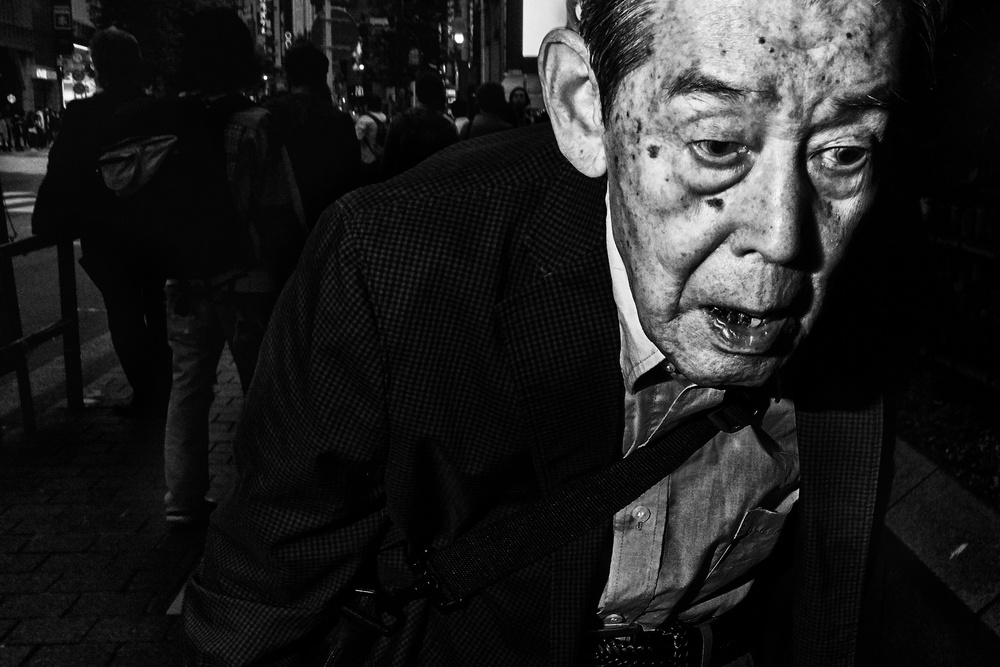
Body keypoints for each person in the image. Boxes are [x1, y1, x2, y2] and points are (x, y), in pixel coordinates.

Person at [182, 0, 938, 664]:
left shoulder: (877, 272)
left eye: (842, 152)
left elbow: (826, 586)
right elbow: (253, 619)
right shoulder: (391, 271)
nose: (782, 235)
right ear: (584, 106)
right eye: (716, 145)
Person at [146, 9, 306, 525]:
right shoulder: (256, 123)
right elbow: (280, 210)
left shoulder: (169, 123)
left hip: (186, 275)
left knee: (189, 384)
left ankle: (182, 499)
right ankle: (259, 494)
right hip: (247, 278)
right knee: (259, 388)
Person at [32, 27, 171, 420]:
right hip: (156, 230)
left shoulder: (84, 114)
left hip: (105, 231)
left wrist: (49, 216)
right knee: (159, 308)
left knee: (123, 311)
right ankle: (166, 390)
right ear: (139, 64)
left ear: (99, 67)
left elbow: (62, 169)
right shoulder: (159, 110)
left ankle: (147, 394)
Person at [266, 43, 361, 227]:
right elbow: (351, 178)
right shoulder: (339, 121)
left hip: (282, 223)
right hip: (329, 220)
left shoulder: (270, 117)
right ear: (323, 76)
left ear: (288, 76)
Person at [380, 73, 456, 178]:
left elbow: (387, 161)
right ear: (439, 95)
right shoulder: (447, 126)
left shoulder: (399, 122)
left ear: (418, 95)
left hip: (403, 184)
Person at [355, 93, 388, 183]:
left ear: (367, 105)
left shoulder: (364, 120)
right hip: (381, 157)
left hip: (368, 160)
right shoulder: (385, 117)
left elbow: (356, 138)